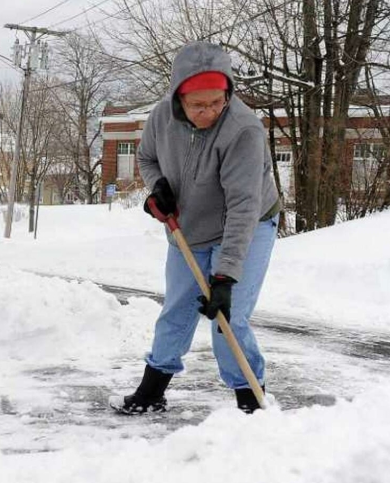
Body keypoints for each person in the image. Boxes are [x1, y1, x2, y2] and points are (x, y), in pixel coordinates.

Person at [109, 41, 281, 415]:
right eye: (198, 105)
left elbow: (243, 207)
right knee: (177, 309)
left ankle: (251, 402)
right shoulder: (160, 118)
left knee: (227, 318)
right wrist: (159, 188)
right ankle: (152, 390)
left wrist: (226, 275)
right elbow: (147, 157)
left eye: (218, 102)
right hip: (187, 228)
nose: (210, 112)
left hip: (246, 226)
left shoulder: (243, 130)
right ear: (179, 98)